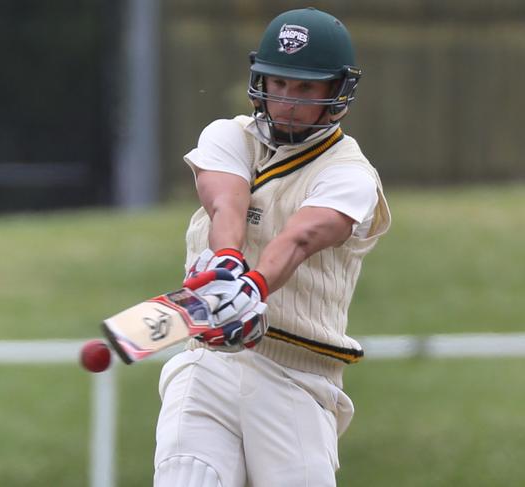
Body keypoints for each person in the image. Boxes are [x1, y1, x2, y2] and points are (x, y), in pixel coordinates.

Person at [154, 7, 391, 487]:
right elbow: (227, 207)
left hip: (297, 379)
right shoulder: (228, 136)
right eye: (278, 82)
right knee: (187, 476)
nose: (286, 100)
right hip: (209, 360)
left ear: (337, 93)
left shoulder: (349, 173)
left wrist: (255, 286)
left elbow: (299, 238)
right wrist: (226, 266)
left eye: (305, 88)